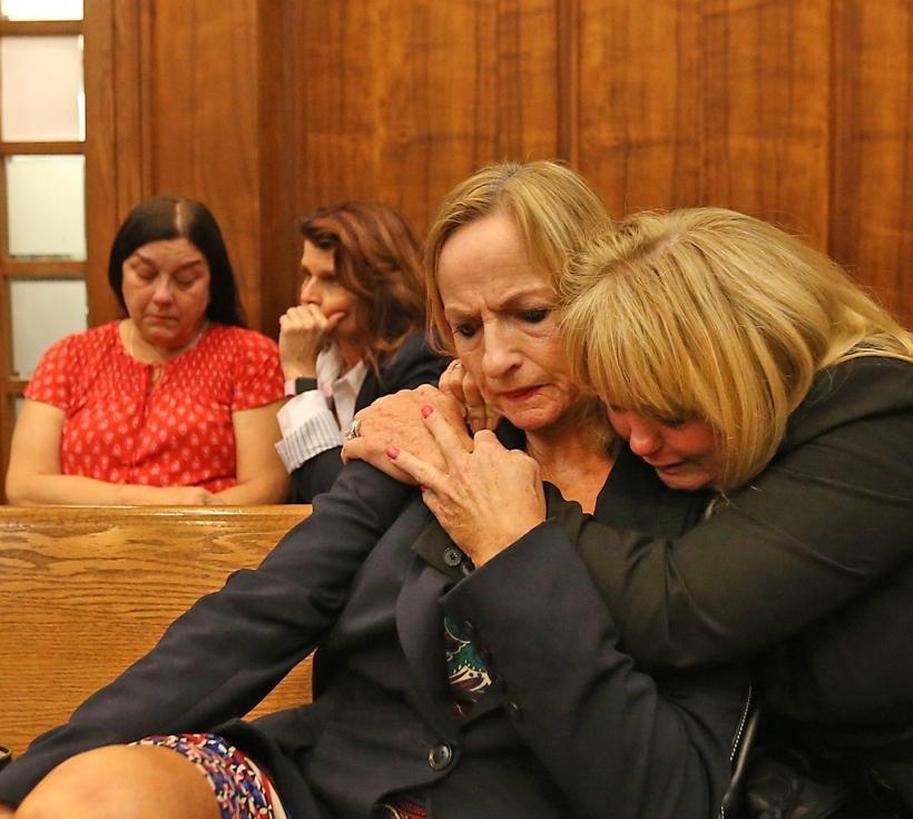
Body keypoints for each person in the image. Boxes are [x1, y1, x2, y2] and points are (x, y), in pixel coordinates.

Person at [0, 164, 747, 819]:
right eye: (465, 326)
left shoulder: (685, 478)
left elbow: (666, 790)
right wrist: (31, 772)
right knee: (90, 799)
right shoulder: (426, 434)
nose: (498, 358)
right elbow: (258, 613)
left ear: (599, 295)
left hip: (525, 799)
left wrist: (515, 550)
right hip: (324, 786)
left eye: (532, 315)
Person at [382, 207, 913, 818]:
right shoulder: (698, 463)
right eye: (618, 408)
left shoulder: (889, 413)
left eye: (670, 412)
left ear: (746, 371)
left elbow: (683, 607)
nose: (641, 440)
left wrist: (518, 512)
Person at [6, 196, 288, 506]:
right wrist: (153, 502)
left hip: (205, 546)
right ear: (119, 274)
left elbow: (265, 488)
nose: (163, 295)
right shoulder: (69, 356)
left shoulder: (250, 357)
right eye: (145, 275)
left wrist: (196, 519)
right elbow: (24, 487)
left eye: (186, 280)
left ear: (212, 284)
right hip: (79, 547)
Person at [275, 201, 446, 502]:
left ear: (379, 286)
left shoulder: (419, 362)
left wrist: (301, 381)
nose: (307, 296)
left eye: (330, 280)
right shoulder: (325, 357)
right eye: (307, 275)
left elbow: (342, 499)